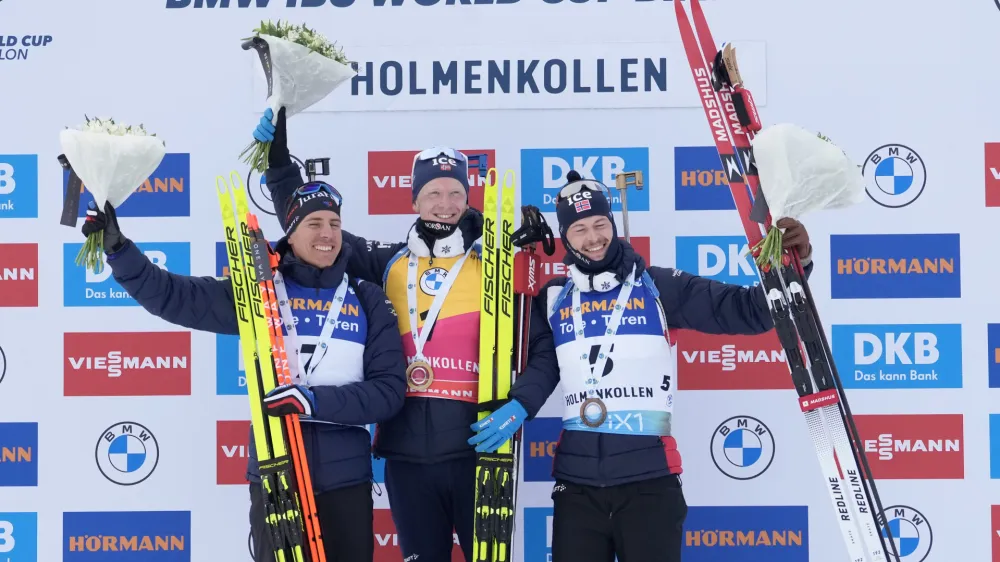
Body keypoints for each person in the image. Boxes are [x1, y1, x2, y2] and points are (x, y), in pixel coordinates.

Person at [253, 108, 558, 562]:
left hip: (478, 451)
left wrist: (521, 404)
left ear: (468, 200)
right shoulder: (388, 263)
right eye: (433, 192)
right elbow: (307, 221)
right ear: (414, 200)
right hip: (407, 458)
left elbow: (544, 349)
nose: (445, 203)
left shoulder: (496, 268)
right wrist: (278, 162)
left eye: (455, 192)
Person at [466, 170, 815, 562]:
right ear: (566, 236)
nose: (593, 237)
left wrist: (791, 264)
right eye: (580, 228)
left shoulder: (658, 287)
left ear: (612, 224)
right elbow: (545, 364)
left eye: (600, 224)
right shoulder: (554, 299)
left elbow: (748, 312)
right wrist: (520, 404)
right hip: (576, 488)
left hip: (650, 483)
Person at [79, 181, 408, 562]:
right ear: (291, 231)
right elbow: (173, 295)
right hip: (276, 469)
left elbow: (387, 393)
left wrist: (312, 401)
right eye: (314, 223)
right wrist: (120, 251)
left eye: (334, 223)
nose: (327, 234)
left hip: (346, 480)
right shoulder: (259, 292)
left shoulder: (367, 298)